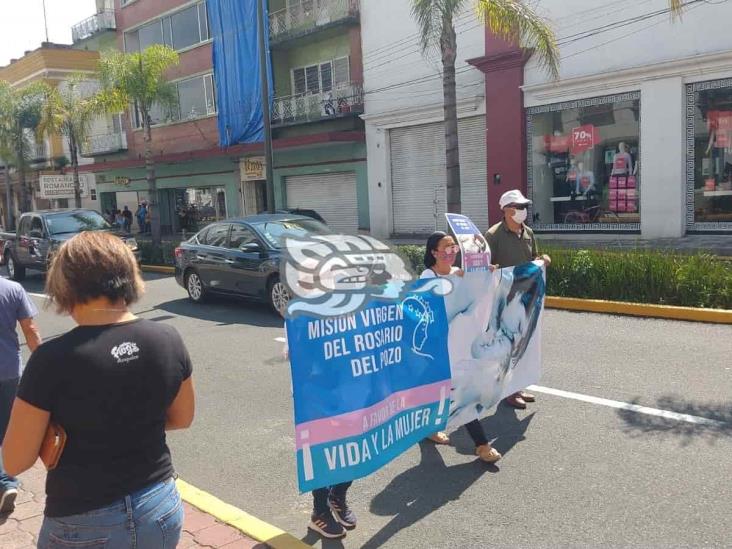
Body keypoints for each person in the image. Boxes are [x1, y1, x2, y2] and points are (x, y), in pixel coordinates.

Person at [2, 231, 195, 548]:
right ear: (128, 277)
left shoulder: (52, 360)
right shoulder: (168, 338)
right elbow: (183, 417)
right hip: (160, 505)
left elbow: (14, 461)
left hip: (82, 520)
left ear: (65, 285)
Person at [419, 231, 501, 464]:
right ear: (433, 252)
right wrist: (459, 280)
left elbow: (475, 297)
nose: (451, 253)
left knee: (458, 390)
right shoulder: (427, 276)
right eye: (446, 248)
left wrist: (486, 275)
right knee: (448, 391)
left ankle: (474, 443)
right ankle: (482, 444)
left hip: (460, 347)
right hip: (436, 348)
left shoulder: (458, 273)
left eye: (454, 248)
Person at [282, 325, 357, 540]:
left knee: (354, 447)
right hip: (314, 396)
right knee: (321, 453)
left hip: (350, 390)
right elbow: (292, 353)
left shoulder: (355, 299)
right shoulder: (307, 308)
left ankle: (338, 495)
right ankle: (320, 511)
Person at [485, 189, 551, 410]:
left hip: (527, 297)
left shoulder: (528, 233)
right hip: (506, 299)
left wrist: (543, 260)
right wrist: (490, 269)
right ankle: (508, 391)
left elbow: (534, 259)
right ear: (506, 210)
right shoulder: (493, 235)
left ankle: (517, 385)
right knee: (507, 344)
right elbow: (486, 268)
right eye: (519, 207)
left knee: (524, 342)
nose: (523, 211)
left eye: (525, 207)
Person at [0, 277, 42, 514]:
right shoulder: (13, 289)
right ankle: (6, 480)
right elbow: (30, 329)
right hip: (8, 370)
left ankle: (4, 482)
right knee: (7, 429)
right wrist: (41, 364)